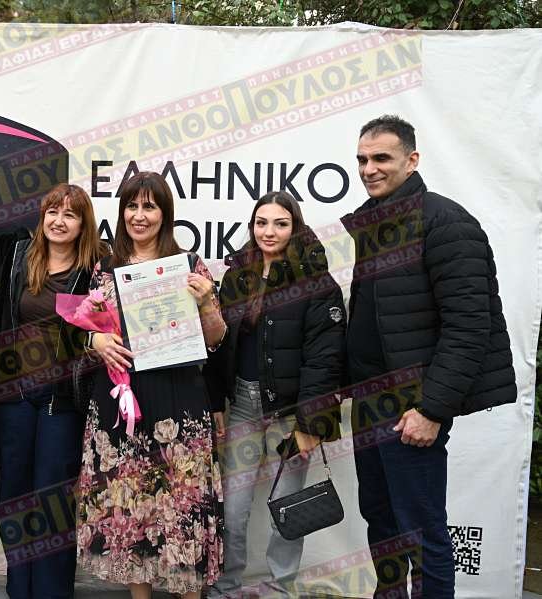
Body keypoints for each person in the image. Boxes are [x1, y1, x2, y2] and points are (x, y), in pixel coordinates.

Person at [343, 115, 516, 598]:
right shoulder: (373, 224)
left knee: (421, 530)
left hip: (411, 408)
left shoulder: (446, 222)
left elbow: (470, 327)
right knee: (381, 521)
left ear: (412, 160)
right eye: (362, 159)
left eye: (382, 158)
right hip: (370, 405)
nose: (370, 169)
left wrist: (432, 409)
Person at [76, 171, 227, 599]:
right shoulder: (104, 269)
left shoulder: (189, 265)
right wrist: (94, 341)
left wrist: (205, 301)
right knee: (131, 509)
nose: (139, 216)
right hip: (121, 402)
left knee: (182, 506)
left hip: (178, 400)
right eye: (132, 206)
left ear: (165, 213)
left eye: (149, 206)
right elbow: (81, 332)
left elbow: (216, 338)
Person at [0, 183, 108, 599]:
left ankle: (51, 591)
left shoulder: (96, 269)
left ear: (83, 224)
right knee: (13, 498)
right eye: (52, 212)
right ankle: (18, 589)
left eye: (70, 215)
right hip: (15, 396)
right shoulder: (17, 255)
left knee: (52, 497)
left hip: (63, 398)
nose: (59, 221)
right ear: (41, 218)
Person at [203, 191, 346, 598]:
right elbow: (219, 346)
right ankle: (226, 585)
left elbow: (325, 360)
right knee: (232, 506)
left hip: (291, 412)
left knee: (288, 507)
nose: (269, 231)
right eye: (261, 222)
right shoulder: (237, 277)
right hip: (243, 406)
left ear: (295, 227)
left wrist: (310, 423)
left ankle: (280, 588)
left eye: (280, 223)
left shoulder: (317, 282)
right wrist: (215, 401)